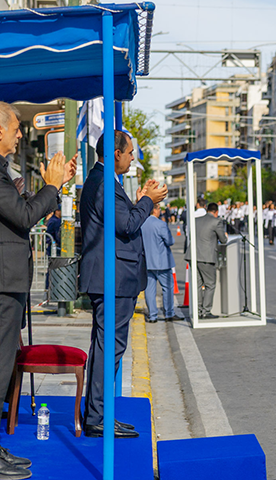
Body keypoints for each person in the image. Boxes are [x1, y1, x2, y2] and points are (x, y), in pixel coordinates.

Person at [0, 100, 76, 480]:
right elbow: (25, 217)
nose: (20, 134)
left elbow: (13, 216)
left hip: (1, 277)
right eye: (16, 127)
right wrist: (52, 186)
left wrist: (50, 187)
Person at [80, 131, 165, 440]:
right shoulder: (103, 183)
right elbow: (127, 223)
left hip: (116, 277)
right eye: (130, 153)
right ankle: (98, 417)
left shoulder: (107, 182)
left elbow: (123, 218)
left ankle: (100, 413)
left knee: (109, 348)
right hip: (111, 278)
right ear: (116, 153)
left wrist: (141, 198)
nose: (133, 158)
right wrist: (148, 201)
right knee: (108, 349)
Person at [142, 203, 181, 323]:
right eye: (159, 208)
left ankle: (152, 315)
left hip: (147, 262)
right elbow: (170, 241)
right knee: (168, 287)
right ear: (155, 210)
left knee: (149, 289)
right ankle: (169, 313)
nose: (160, 211)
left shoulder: (142, 224)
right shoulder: (160, 224)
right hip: (162, 262)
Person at [189, 202, 228, 319]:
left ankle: (198, 310)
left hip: (193, 255)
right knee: (210, 284)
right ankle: (206, 311)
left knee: (198, 284)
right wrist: (224, 235)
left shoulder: (196, 220)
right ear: (216, 212)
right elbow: (223, 240)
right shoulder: (217, 221)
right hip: (206, 257)